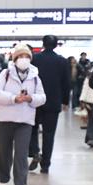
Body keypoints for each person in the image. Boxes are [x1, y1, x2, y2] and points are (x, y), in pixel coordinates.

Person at [0, 44, 45, 185]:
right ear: (14, 59)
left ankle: (21, 182)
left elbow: (42, 97)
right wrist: (13, 98)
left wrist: (31, 98)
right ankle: (3, 178)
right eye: (20, 56)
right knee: (3, 151)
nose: (24, 59)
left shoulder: (35, 76)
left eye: (27, 56)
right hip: (4, 118)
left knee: (22, 152)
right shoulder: (5, 74)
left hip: (25, 119)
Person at [28, 35, 70, 174]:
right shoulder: (62, 61)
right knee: (49, 133)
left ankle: (35, 151)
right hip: (53, 101)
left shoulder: (34, 59)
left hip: (34, 100)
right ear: (56, 45)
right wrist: (65, 101)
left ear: (43, 44)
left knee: (32, 129)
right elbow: (66, 83)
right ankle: (45, 165)